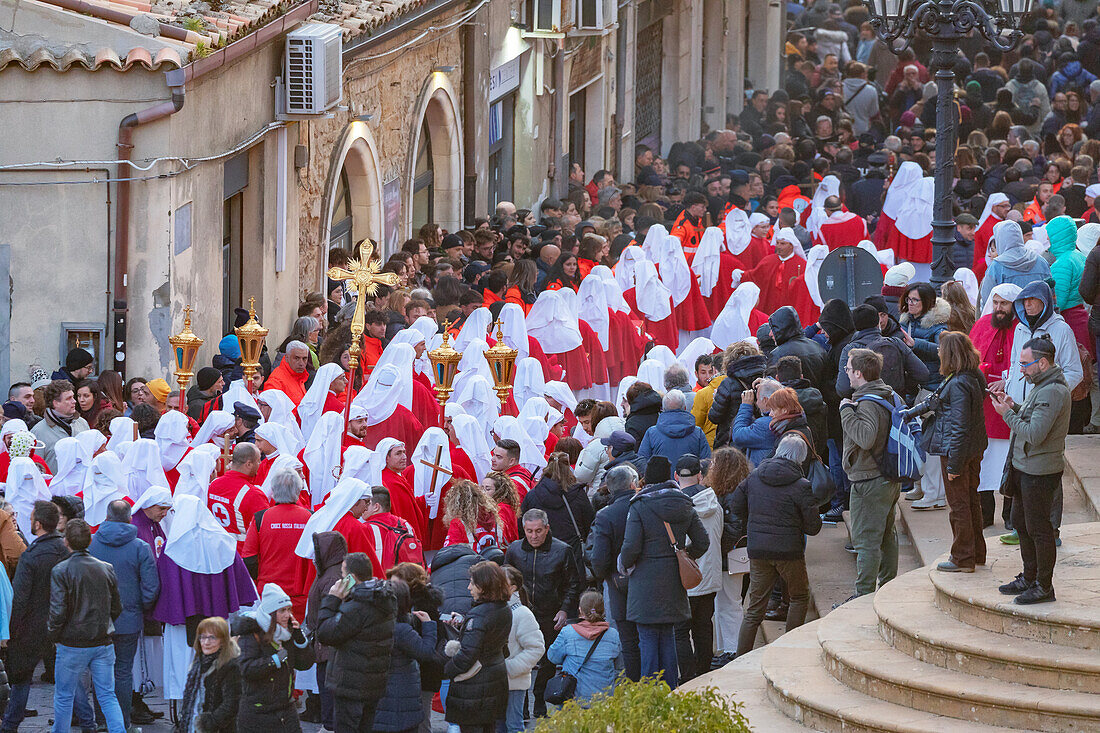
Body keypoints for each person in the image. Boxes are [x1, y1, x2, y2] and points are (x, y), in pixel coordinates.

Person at [991, 338, 1072, 605]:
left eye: (1025, 364)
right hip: (1026, 467)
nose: (1022, 369)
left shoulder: (1051, 391)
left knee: (1039, 529)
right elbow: (1031, 417)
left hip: (1040, 470)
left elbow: (1035, 434)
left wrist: (1006, 414)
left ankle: (1043, 586)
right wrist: (1013, 406)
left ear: (1043, 363)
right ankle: (1029, 577)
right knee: (1022, 524)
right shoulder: (1041, 385)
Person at [616, 456, 709, 689]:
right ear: (670, 476)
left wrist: (624, 566)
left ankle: (650, 696)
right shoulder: (684, 503)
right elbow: (702, 541)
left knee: (647, 639)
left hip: (644, 583)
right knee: (668, 637)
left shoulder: (639, 504)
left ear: (647, 478)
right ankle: (670, 692)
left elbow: (630, 547)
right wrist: (683, 555)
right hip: (673, 581)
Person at [729, 435, 822, 656]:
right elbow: (814, 527)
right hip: (789, 552)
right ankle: (788, 652)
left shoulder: (753, 477)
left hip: (758, 550)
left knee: (754, 610)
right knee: (799, 597)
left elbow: (736, 506)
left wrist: (754, 521)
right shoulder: (802, 486)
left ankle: (741, 658)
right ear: (801, 457)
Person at [913, 333, 989, 572]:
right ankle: (976, 553)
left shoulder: (957, 384)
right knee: (971, 501)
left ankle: (962, 558)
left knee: (959, 506)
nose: (937, 353)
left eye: (940, 351)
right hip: (973, 450)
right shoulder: (971, 375)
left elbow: (959, 428)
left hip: (957, 453)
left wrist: (954, 466)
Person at [47, 518, 125, 733]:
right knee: (108, 695)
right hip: (102, 641)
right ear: (90, 540)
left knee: (64, 695)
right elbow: (117, 606)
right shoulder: (106, 568)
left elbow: (58, 610)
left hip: (72, 642)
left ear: (66, 542)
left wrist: (53, 635)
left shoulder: (61, 571)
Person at [88, 500, 160, 730]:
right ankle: (122, 722)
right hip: (129, 619)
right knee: (123, 671)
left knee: (99, 671)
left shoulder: (91, 544)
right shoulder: (140, 547)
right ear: (130, 518)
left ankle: (102, 722)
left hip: (97, 620)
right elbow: (151, 587)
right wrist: (140, 607)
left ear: (107, 518)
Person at [503, 508, 581, 718]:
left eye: (538, 531)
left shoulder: (562, 550)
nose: (534, 536)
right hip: (521, 613)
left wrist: (564, 609)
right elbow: (505, 580)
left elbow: (573, 583)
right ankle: (523, 705)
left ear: (547, 529)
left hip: (550, 613)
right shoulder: (515, 550)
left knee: (547, 659)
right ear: (524, 529)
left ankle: (539, 699)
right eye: (529, 531)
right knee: (519, 656)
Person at [3, 501, 72, 732]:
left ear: (38, 523)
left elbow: (20, 598)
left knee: (22, 676)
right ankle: (88, 719)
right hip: (63, 622)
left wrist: (12, 630)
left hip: (33, 625)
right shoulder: (65, 550)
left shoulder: (31, 555)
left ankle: (11, 723)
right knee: (70, 676)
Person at [840, 349, 901, 599]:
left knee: (866, 541)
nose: (846, 371)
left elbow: (865, 438)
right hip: (888, 478)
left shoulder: (865, 402)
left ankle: (862, 597)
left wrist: (845, 410)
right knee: (887, 536)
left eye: (848, 367)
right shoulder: (888, 393)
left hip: (869, 481)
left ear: (859, 373)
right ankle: (887, 590)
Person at [314, 551, 397, 731]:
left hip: (350, 684)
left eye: (342, 575)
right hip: (373, 682)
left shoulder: (358, 606)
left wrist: (332, 599)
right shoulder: (382, 597)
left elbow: (325, 633)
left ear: (351, 577)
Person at [441, 561, 512, 733]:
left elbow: (467, 655)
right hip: (494, 679)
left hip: (474, 688)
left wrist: (447, 670)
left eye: (472, 583)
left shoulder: (479, 614)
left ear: (484, 585)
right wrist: (465, 624)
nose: (468, 587)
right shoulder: (503, 608)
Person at [232, 584, 315, 732]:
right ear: (270, 613)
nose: (287, 615)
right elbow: (246, 669)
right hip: (257, 713)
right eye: (282, 610)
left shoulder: (287, 634)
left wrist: (300, 639)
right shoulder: (252, 634)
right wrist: (274, 660)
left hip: (286, 709)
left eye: (289, 609)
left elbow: (304, 665)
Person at [585, 464, 642, 681]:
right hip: (645, 579)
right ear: (632, 484)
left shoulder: (606, 515)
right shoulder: (643, 506)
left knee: (626, 637)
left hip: (616, 583)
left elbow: (598, 557)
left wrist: (604, 575)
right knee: (646, 634)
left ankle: (632, 683)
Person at [673, 454, 723, 682]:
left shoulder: (674, 507)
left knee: (681, 630)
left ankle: (688, 675)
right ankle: (704, 671)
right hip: (708, 575)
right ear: (700, 476)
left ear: (676, 476)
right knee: (704, 626)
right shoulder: (715, 503)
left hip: (683, 578)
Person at [241, 469, 312, 621]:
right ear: (298, 491)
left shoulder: (261, 518)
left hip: (268, 593)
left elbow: (248, 559)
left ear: (273, 490)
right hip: (300, 596)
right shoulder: (310, 518)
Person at [546, 590, 622, 703]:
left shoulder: (567, 632)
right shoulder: (613, 634)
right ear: (603, 610)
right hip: (604, 699)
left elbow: (553, 657)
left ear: (580, 610)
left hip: (573, 697)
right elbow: (619, 667)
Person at [305, 532, 346, 733]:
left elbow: (333, 611)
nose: (314, 555)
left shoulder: (332, 576)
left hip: (328, 648)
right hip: (327, 646)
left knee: (329, 693)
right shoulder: (333, 572)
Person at [174, 616, 240, 733]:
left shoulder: (230, 666)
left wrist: (209, 724)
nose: (206, 642)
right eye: (202, 637)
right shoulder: (198, 663)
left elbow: (231, 704)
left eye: (212, 638)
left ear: (223, 640)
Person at [500, 565, 544, 733]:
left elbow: (536, 648)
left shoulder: (522, 613)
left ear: (513, 588)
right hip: (495, 679)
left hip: (513, 682)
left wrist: (510, 668)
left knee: (513, 726)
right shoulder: (494, 609)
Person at [207, 442, 269, 551]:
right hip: (241, 555)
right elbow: (265, 530)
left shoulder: (213, 484)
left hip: (215, 550)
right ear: (249, 464)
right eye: (258, 460)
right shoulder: (253, 494)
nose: (259, 464)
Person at [636, 389, 712, 472]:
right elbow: (706, 463)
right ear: (685, 408)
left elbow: (642, 462)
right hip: (690, 482)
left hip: (661, 483)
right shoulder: (698, 433)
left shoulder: (651, 433)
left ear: (663, 409)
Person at [32, 379, 89, 471]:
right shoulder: (38, 431)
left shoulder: (82, 423)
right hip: (53, 484)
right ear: (55, 403)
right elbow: (36, 467)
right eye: (68, 398)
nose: (74, 401)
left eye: (73, 397)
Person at [263, 342, 311, 406]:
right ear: (287, 358)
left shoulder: (299, 375)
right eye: (296, 358)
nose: (301, 363)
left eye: (304, 358)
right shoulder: (276, 381)